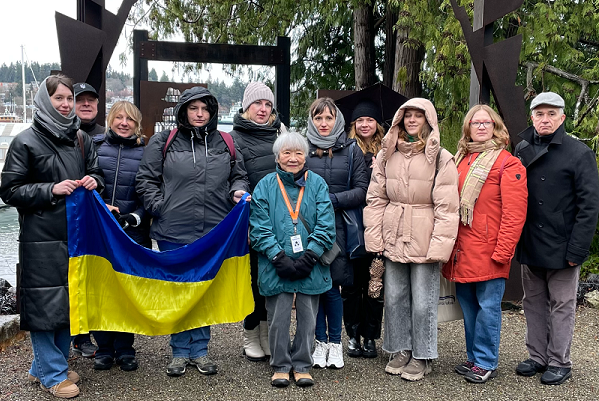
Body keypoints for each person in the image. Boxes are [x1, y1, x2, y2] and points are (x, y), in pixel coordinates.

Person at [0, 74, 104, 398]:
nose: (66, 104)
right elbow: (9, 189)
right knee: (45, 306)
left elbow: (97, 172)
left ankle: (43, 367)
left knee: (66, 305)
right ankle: (53, 375)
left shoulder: (81, 139)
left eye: (69, 98)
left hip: (75, 235)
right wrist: (51, 190)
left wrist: (93, 181)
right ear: (45, 101)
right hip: (40, 239)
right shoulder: (25, 141)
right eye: (59, 98)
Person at [136, 86, 250, 377]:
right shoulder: (165, 140)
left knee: (202, 291)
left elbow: (239, 176)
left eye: (205, 109)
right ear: (183, 110)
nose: (200, 114)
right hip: (173, 230)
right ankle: (178, 352)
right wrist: (159, 206)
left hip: (214, 230)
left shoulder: (226, 141)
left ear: (212, 112)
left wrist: (238, 191)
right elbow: (146, 179)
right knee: (178, 290)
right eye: (193, 108)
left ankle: (200, 350)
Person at [364, 98, 459, 381]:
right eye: (408, 116)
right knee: (393, 297)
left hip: (424, 233)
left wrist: (440, 245)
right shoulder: (386, 155)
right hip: (394, 232)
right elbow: (375, 199)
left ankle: (422, 355)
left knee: (423, 300)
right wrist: (375, 237)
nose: (413, 120)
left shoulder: (442, 157)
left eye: (419, 116)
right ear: (400, 120)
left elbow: (447, 207)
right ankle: (399, 349)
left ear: (428, 121)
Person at [514, 92, 599, 385]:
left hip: (564, 245)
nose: (545, 119)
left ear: (562, 117)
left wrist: (578, 248)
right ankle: (537, 356)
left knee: (562, 305)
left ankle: (560, 362)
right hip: (531, 242)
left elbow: (590, 206)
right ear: (532, 118)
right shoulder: (522, 149)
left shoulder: (579, 153)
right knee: (533, 302)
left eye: (551, 114)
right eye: (539, 114)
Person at [442, 105, 528, 383]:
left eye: (486, 122)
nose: (481, 126)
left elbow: (515, 213)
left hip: (490, 250)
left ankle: (486, 361)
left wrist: (503, 251)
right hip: (462, 250)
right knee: (468, 307)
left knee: (488, 307)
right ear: (467, 128)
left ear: (495, 126)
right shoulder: (459, 160)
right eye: (475, 122)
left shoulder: (507, 162)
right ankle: (474, 357)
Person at [249, 131, 336, 387]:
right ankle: (280, 364)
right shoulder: (265, 185)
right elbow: (259, 227)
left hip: (311, 264)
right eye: (286, 153)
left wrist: (310, 256)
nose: (293, 158)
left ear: (305, 156)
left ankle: (302, 364)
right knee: (278, 318)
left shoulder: (318, 183)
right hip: (275, 264)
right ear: (277, 157)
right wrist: (278, 257)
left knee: (308, 318)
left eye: (298, 152)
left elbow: (326, 224)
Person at [306, 97, 369, 369]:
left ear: (337, 121)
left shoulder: (352, 150)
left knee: (332, 287)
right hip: (307, 226)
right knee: (312, 288)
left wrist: (331, 200)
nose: (323, 123)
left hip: (339, 227)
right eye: (318, 118)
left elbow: (361, 190)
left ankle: (335, 343)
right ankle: (318, 341)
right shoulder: (303, 147)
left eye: (328, 118)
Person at [91, 101, 151, 372]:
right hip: (99, 229)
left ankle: (126, 348)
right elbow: (86, 184)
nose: (124, 122)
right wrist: (101, 209)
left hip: (132, 231)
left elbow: (151, 191)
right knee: (101, 289)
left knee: (127, 290)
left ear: (137, 124)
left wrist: (134, 217)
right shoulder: (93, 146)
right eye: (119, 117)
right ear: (110, 120)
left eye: (130, 119)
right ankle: (103, 347)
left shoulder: (146, 152)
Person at [229, 82, 286, 362]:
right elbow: (235, 175)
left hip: (281, 219)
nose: (263, 109)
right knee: (253, 279)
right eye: (257, 104)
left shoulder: (282, 133)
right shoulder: (234, 138)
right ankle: (250, 333)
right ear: (246, 107)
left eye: (267, 104)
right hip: (252, 220)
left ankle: (267, 333)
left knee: (272, 278)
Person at [342, 100, 386, 358]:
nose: (365, 124)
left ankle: (370, 336)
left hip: (379, 226)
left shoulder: (388, 150)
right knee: (351, 285)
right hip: (353, 226)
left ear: (376, 124)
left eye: (369, 120)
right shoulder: (347, 150)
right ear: (354, 125)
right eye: (360, 121)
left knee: (375, 284)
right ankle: (352, 335)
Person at [70, 81, 103, 358]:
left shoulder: (105, 134)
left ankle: (100, 335)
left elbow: (98, 175)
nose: (86, 104)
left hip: (100, 217)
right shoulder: (69, 136)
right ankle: (78, 336)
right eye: (81, 100)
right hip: (72, 219)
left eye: (91, 100)